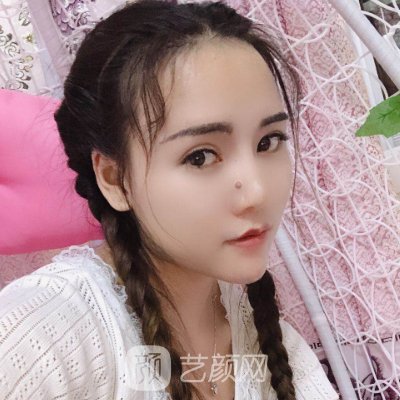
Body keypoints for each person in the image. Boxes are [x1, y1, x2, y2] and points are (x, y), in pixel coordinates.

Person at [0, 1, 340, 399]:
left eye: (269, 142)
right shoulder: (41, 339)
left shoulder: (268, 339)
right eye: (201, 156)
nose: (257, 193)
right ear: (114, 178)